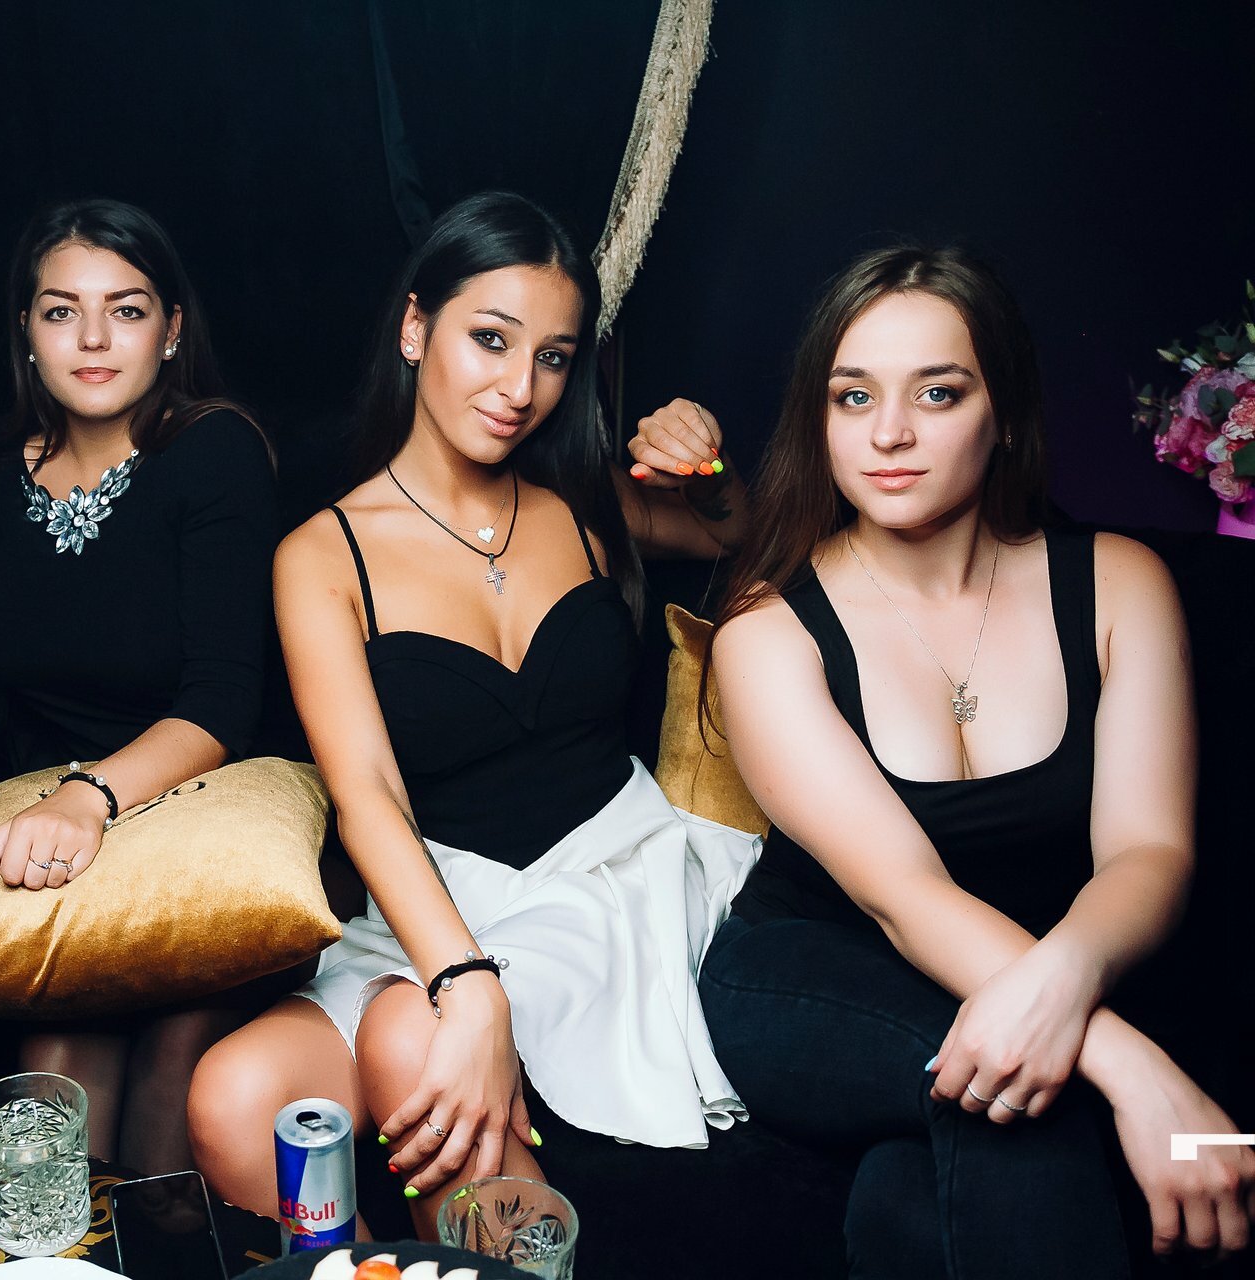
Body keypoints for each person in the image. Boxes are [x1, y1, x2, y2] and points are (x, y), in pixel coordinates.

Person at [185, 191, 756, 1237]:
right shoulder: (322, 553)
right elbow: (367, 793)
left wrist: (706, 467)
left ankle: (509, 1258)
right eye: (490, 339)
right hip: (437, 900)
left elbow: (734, 532)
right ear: (415, 327)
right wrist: (466, 976)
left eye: (552, 357)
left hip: (601, 875)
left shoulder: (584, 500)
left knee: (411, 1033)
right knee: (233, 1098)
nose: (519, 387)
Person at [698, 246, 1255, 1276]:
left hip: (1054, 955)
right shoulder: (766, 631)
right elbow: (904, 895)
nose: (889, 433)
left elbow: (1150, 850)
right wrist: (1138, 1070)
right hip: (823, 971)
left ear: (1003, 412)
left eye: (938, 392)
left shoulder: (1121, 584)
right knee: (1025, 1103)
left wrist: (1065, 977)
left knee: (917, 1194)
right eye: (853, 396)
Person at [0, 198, 278, 1175]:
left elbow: (223, 699)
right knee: (47, 1098)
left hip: (199, 791)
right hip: (49, 800)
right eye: (62, 311)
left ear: (172, 328)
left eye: (127, 309)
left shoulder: (217, 450)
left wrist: (88, 798)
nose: (94, 338)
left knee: (169, 1098)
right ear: (26, 330)